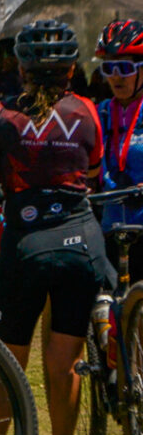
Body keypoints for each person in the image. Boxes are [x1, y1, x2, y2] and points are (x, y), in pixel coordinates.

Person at [0, 20, 113, 435]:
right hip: (79, 242)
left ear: (23, 70)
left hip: (26, 243)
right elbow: (92, 175)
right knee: (64, 363)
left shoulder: (0, 115)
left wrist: (5, 194)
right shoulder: (88, 111)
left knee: (8, 364)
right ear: (71, 70)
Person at [94, 19, 143, 282]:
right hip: (111, 229)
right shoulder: (100, 112)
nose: (115, 76)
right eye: (108, 68)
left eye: (124, 68)